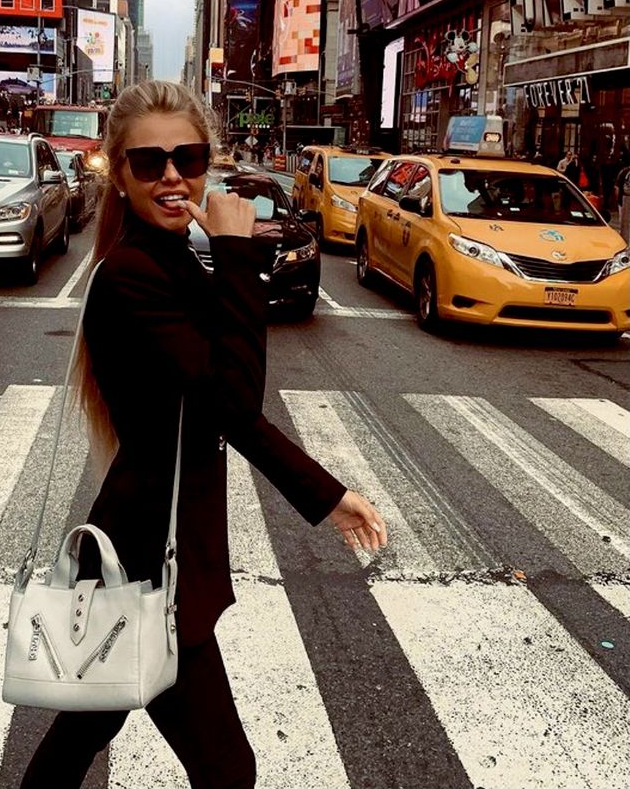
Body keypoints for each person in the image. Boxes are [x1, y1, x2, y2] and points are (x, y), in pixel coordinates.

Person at [20, 82, 386, 789]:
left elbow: (222, 403)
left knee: (84, 734)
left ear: (207, 161)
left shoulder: (170, 256)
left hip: (153, 551)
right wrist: (234, 245)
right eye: (148, 162)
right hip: (144, 561)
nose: (171, 177)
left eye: (186, 157)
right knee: (224, 769)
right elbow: (234, 396)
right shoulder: (134, 272)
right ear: (118, 175)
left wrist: (327, 497)